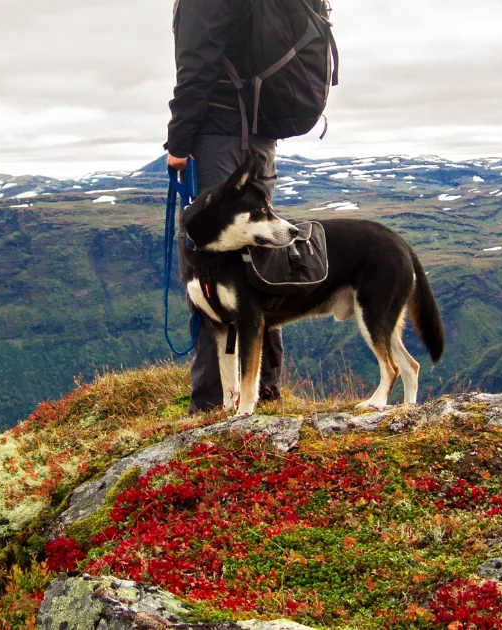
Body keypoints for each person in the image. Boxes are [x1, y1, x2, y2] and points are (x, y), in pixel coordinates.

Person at [165, 0, 285, 414]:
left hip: (219, 137)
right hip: (260, 140)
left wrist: (179, 140)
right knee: (257, 262)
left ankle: (213, 402)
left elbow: (197, 68)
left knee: (207, 270)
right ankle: (264, 391)